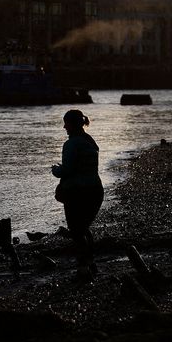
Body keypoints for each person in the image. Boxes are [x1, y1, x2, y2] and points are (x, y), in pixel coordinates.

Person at [51, 109, 104, 270]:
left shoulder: (71, 144)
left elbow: (67, 170)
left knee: (76, 231)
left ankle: (84, 265)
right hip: (95, 191)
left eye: (66, 123)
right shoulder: (90, 142)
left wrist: (55, 170)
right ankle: (90, 262)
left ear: (72, 124)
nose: (64, 127)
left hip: (77, 193)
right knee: (82, 229)